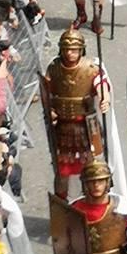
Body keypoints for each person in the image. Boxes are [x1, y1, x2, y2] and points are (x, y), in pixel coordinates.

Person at [42, 28, 107, 199]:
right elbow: (46, 91)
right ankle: (62, 208)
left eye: (74, 49)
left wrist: (104, 98)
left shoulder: (91, 68)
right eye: (67, 49)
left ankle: (92, 202)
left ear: (81, 50)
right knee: (62, 172)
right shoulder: (54, 68)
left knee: (92, 170)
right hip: (63, 127)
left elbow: (100, 83)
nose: (70, 53)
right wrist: (50, 110)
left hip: (87, 126)